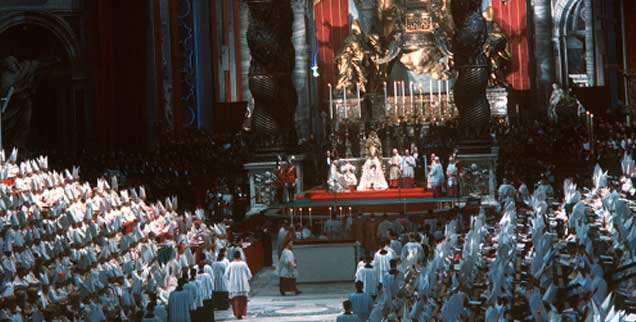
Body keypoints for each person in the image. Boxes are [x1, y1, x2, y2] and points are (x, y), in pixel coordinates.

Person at [224, 251, 252, 320]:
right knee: (242, 300)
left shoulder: (231, 264)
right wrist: (246, 279)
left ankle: (237, 313)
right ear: (240, 256)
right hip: (243, 285)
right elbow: (249, 275)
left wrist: (230, 280)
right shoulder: (243, 264)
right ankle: (241, 313)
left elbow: (226, 274)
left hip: (234, 285)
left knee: (235, 300)